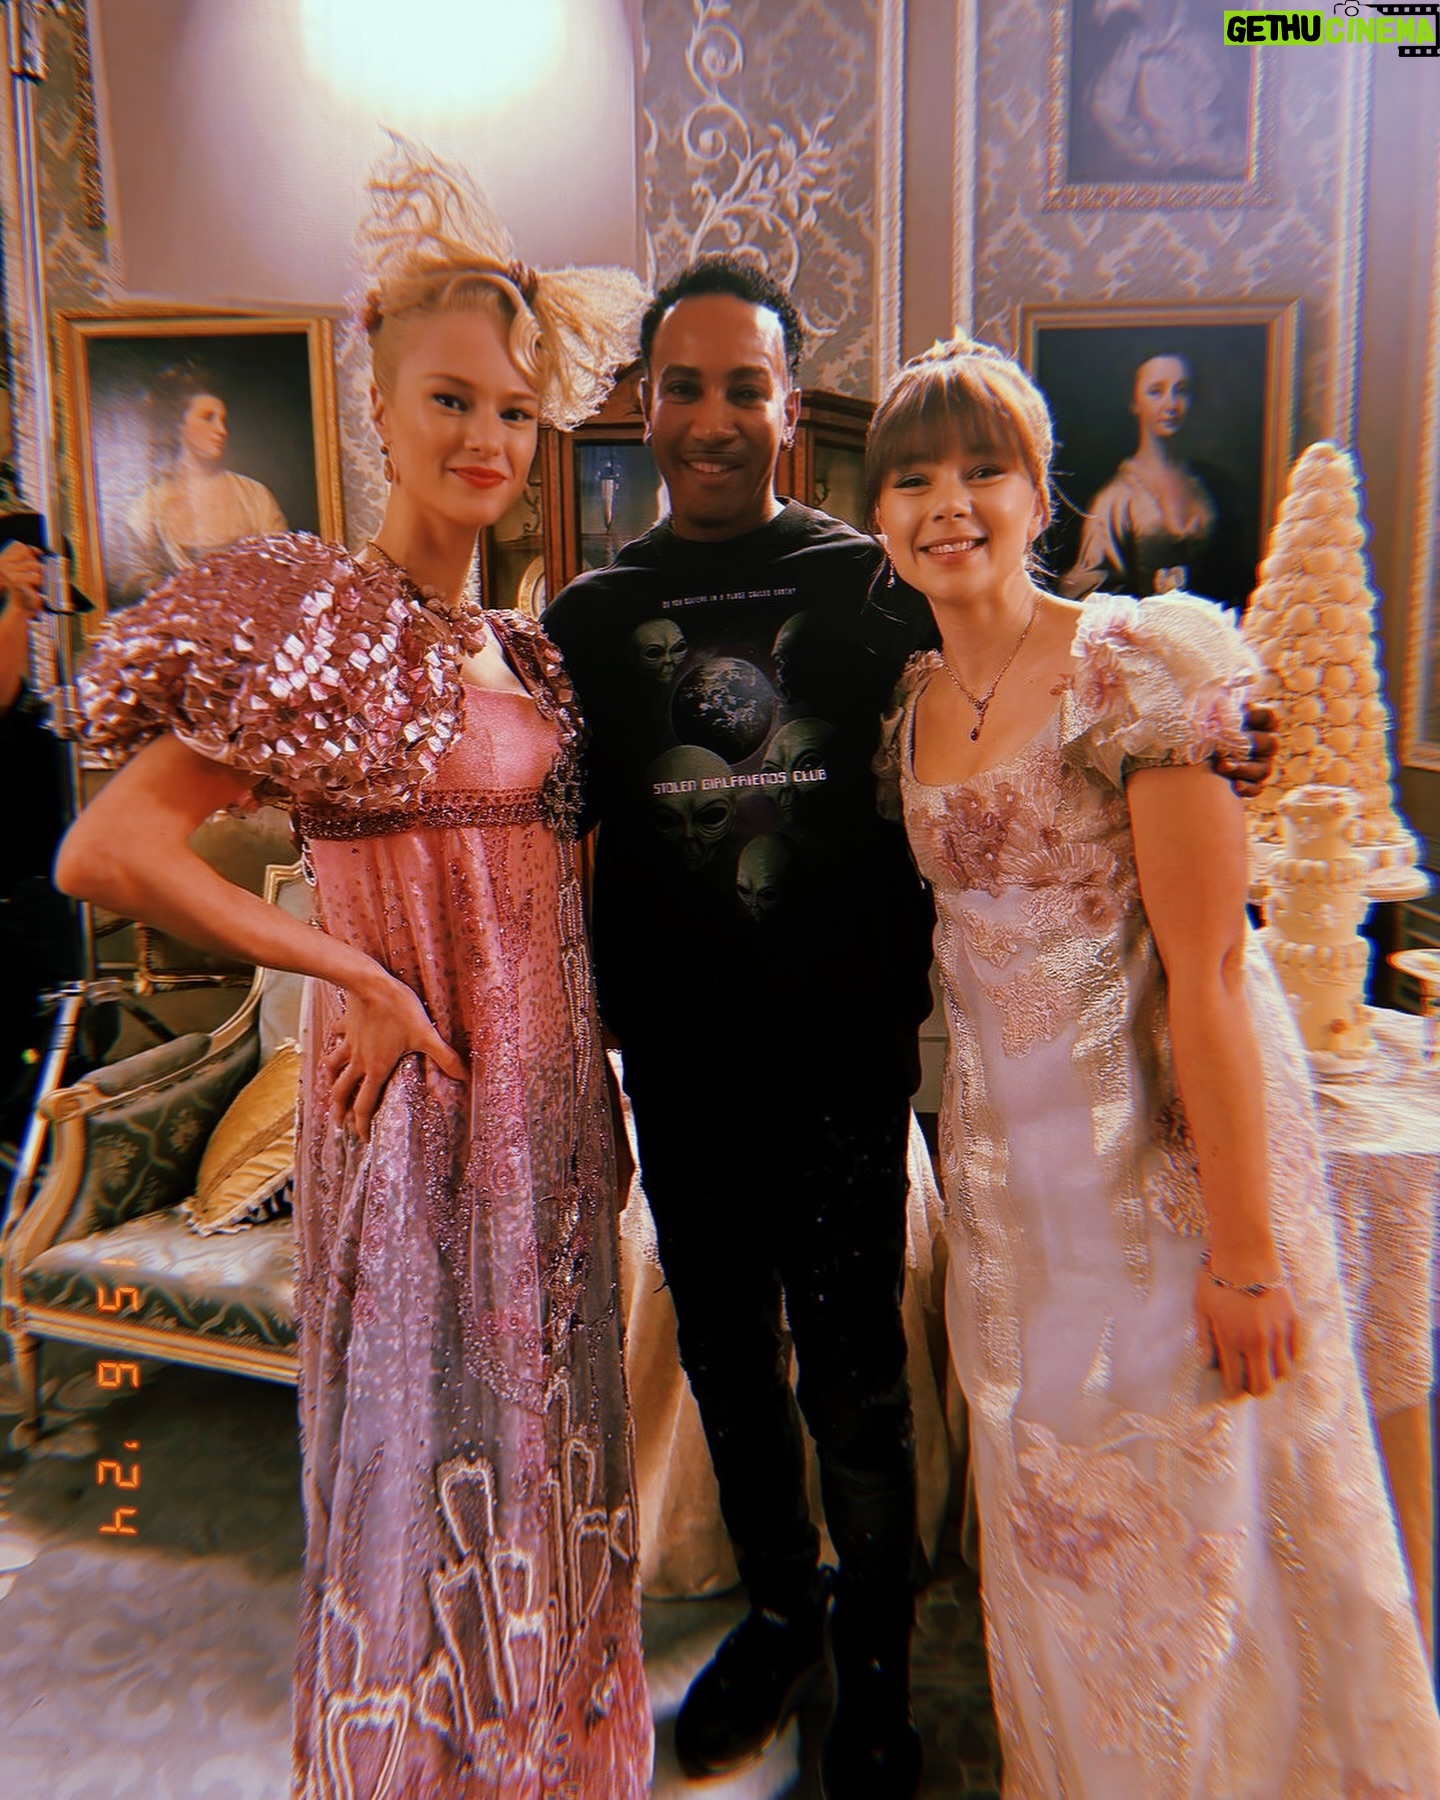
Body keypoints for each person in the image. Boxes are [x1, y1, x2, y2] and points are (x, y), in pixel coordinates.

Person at [542, 258, 1277, 1800]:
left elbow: (1034, 668)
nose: (715, 416)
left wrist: (1221, 720)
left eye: (747, 386)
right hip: (679, 1069)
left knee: (858, 1381)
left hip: (844, 1065)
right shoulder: (588, 619)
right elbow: (545, 842)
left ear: (789, 410)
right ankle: (780, 1619)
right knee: (729, 1371)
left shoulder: (872, 581)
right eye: (685, 386)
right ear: (642, 405)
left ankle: (875, 1665)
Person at [56, 144, 653, 1799]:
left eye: (514, 410)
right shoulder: (314, 616)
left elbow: (558, 891)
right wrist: (348, 972)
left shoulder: (527, 646)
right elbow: (111, 850)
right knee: (415, 1471)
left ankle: (545, 1758)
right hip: (409, 1122)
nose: (485, 439)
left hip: (546, 1120)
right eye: (450, 400)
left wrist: (597, 1084)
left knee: (547, 1452)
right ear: (377, 404)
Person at [870, 335, 1440, 1796]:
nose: (950, 505)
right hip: (1008, 1200)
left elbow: (1214, 969)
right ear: (878, 514)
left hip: (1155, 1179)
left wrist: (1247, 1255)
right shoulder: (911, 700)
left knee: (1188, 1530)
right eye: (915, 479)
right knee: (1049, 1520)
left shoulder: (1134, 667)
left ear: (1040, 489)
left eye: (983, 470)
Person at [1057, 351, 1239, 607]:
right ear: (1135, 402)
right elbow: (1086, 592)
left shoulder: (1212, 487)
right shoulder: (1114, 498)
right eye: (1156, 392)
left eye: (1181, 391)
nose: (1171, 404)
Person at [118, 364, 287, 601]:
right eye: (208, 418)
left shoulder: (256, 497)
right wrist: (171, 591)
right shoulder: (146, 509)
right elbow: (133, 580)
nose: (221, 430)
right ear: (178, 424)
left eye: (223, 420)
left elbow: (283, 570)